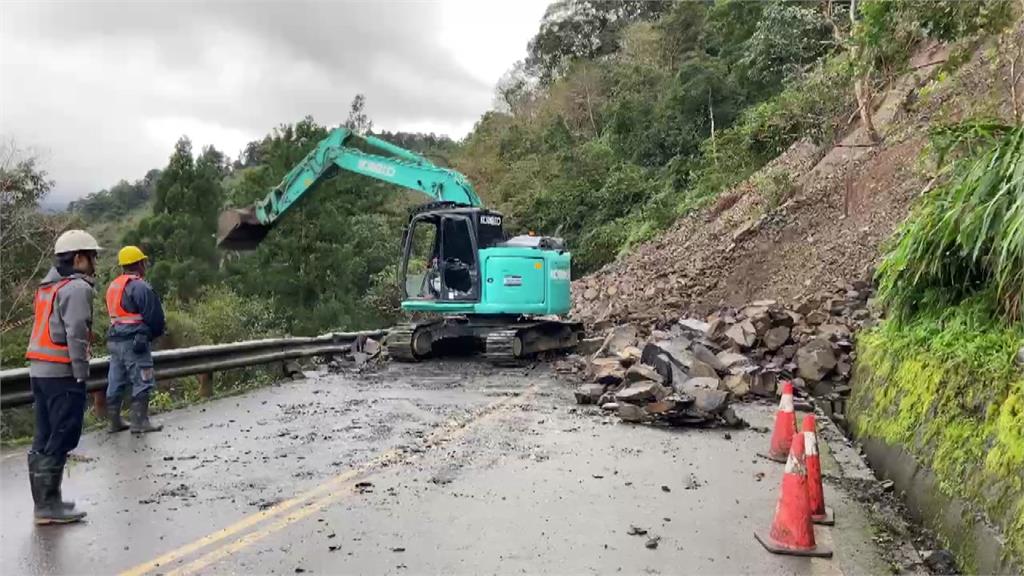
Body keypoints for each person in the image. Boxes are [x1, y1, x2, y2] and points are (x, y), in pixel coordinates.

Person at [25, 229, 100, 524]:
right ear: (79, 258)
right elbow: (77, 333)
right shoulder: (77, 289)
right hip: (61, 373)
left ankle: (46, 503)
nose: (94, 263)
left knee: (44, 434)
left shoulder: (47, 288)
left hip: (39, 372)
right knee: (64, 432)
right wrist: (81, 373)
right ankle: (47, 506)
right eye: (92, 257)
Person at [105, 245, 165, 434]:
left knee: (116, 380)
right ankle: (140, 422)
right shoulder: (139, 286)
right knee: (142, 379)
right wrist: (152, 334)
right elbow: (155, 317)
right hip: (134, 342)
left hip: (115, 341)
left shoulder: (114, 286)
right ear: (139, 263)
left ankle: (114, 421)